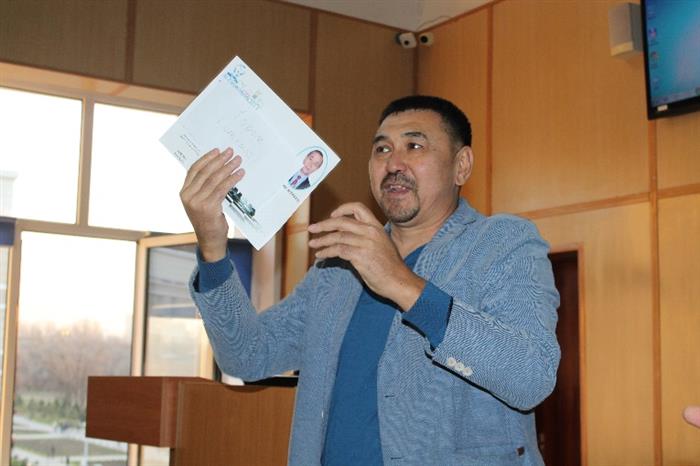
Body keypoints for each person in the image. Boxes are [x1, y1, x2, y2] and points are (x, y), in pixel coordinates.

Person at [180, 95, 561, 465]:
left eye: (414, 145)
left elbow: (531, 376)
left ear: (461, 166)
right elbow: (248, 355)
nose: (393, 163)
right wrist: (213, 249)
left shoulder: (502, 243)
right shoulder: (339, 266)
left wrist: (401, 282)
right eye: (382, 149)